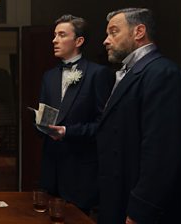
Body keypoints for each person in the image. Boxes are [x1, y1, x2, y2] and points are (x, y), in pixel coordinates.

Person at [98, 8, 181, 224]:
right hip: (120, 196)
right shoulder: (131, 72)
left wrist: (141, 210)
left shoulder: (163, 74)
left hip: (147, 210)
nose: (106, 40)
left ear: (139, 31)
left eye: (113, 32)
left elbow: (163, 153)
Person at [38, 14, 114, 214]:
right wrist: (40, 124)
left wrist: (67, 132)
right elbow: (46, 116)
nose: (54, 40)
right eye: (54, 35)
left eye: (61, 35)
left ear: (79, 41)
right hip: (51, 170)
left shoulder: (98, 74)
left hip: (81, 171)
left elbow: (104, 125)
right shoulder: (49, 76)